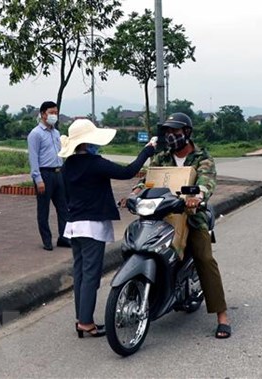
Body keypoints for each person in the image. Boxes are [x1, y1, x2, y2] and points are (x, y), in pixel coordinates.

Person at [127, 112, 232, 339]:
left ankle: (222, 315)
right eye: (168, 132)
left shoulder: (201, 157)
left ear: (186, 133)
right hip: (162, 216)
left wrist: (199, 195)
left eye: (175, 132)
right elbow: (148, 179)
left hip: (192, 216)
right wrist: (134, 192)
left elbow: (207, 180)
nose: (171, 136)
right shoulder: (161, 157)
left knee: (204, 258)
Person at [59, 119, 156, 338]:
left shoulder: (68, 166)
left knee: (80, 274)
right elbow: (128, 172)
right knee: (91, 276)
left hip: (74, 225)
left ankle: (80, 318)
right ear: (88, 142)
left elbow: (68, 195)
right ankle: (85, 322)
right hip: (92, 226)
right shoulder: (95, 162)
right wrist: (146, 152)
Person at [27, 101, 71, 251]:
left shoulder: (56, 133)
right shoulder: (35, 134)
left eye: (56, 113)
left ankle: (64, 237)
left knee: (63, 208)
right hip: (44, 174)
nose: (54, 116)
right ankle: (47, 240)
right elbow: (33, 158)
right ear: (43, 114)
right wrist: (38, 179)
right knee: (43, 209)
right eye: (51, 112)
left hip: (58, 173)